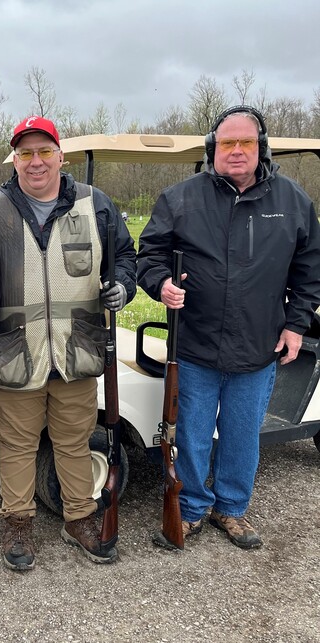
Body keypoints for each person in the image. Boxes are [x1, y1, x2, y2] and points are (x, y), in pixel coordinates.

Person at [138, 105, 320, 549]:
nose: (236, 151)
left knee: (242, 435)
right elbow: (149, 255)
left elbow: (309, 268)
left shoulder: (293, 201)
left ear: (262, 148)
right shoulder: (180, 198)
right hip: (195, 346)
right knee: (194, 435)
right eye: (226, 143)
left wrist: (296, 324)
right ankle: (194, 507)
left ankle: (232, 509)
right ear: (212, 148)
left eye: (246, 142)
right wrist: (160, 284)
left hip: (258, 348)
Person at [0, 116, 136, 570]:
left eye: (45, 151)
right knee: (16, 444)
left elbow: (125, 256)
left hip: (77, 350)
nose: (36, 161)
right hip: (14, 352)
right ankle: (18, 523)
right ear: (15, 160)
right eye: (25, 153)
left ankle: (79, 519)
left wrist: (123, 285)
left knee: (75, 441)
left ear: (60, 156)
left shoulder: (95, 204)